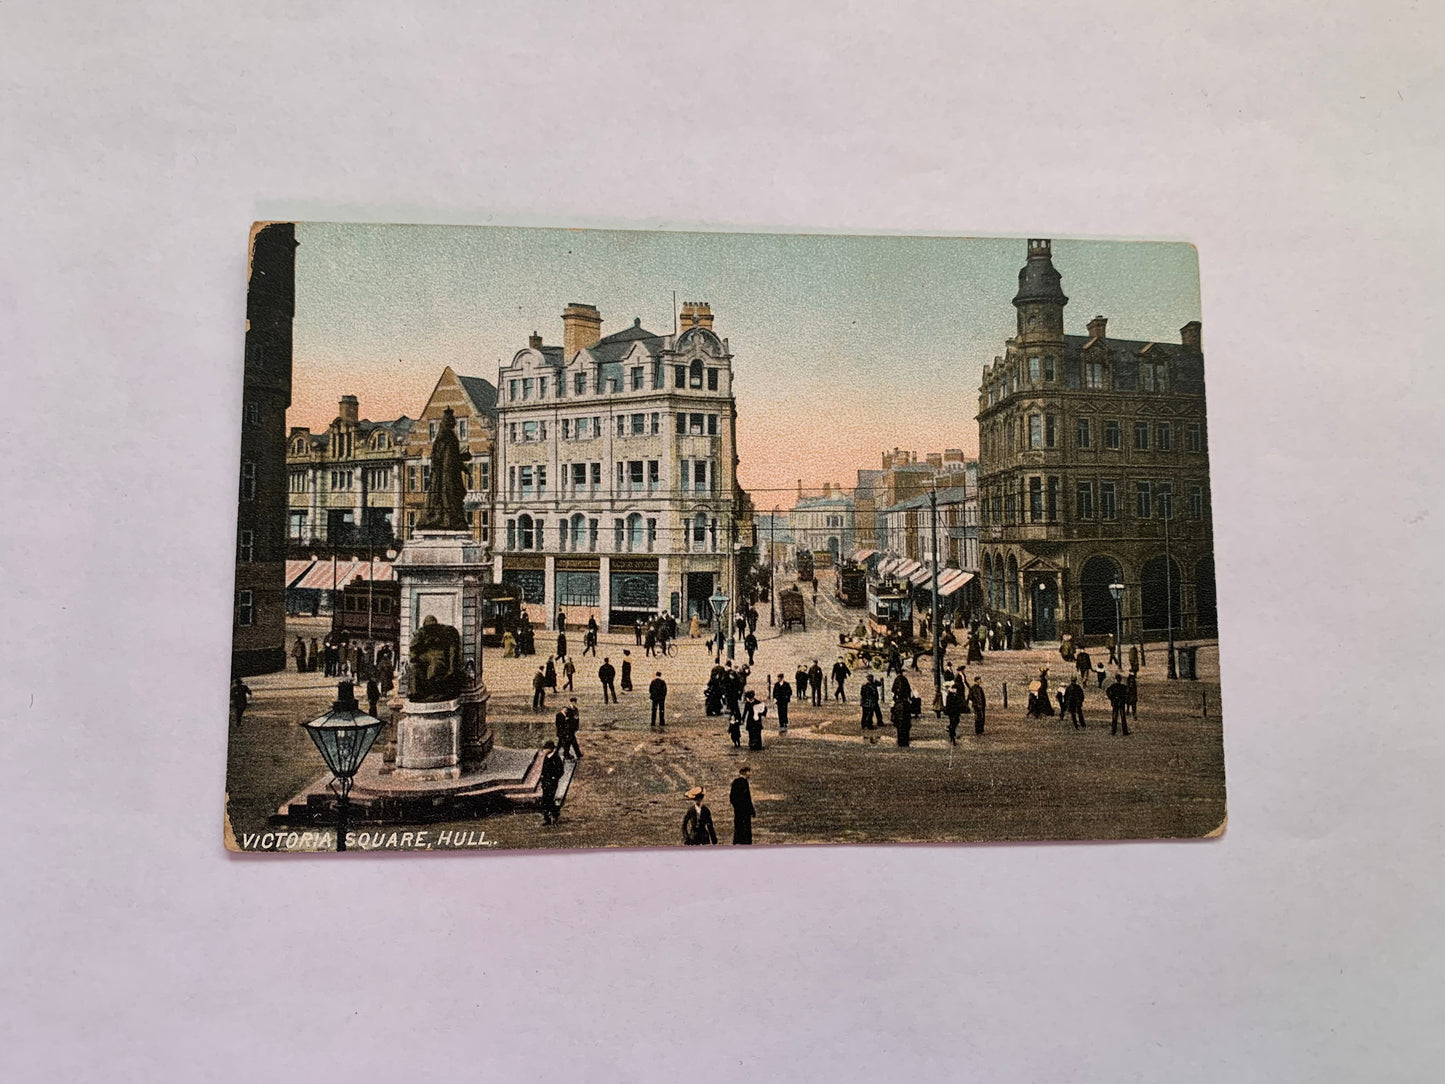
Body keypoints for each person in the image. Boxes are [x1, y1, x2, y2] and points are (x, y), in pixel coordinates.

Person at [539, 741, 565, 825]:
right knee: (546, 800)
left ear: (550, 749)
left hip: (552, 783)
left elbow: (560, 771)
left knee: (548, 800)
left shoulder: (555, 758)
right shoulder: (547, 757)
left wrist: (554, 778)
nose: (544, 750)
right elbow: (544, 769)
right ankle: (549, 817)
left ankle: (553, 814)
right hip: (545, 782)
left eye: (545, 748)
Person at [730, 766, 756, 845]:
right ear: (745, 772)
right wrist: (751, 810)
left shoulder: (735, 782)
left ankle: (737, 842)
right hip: (745, 811)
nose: (750, 774)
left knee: (738, 827)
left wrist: (736, 807)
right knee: (746, 829)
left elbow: (732, 797)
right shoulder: (744, 782)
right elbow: (747, 798)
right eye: (749, 772)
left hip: (738, 811)